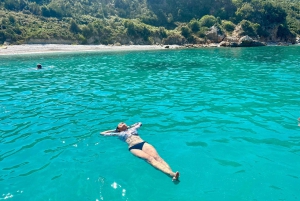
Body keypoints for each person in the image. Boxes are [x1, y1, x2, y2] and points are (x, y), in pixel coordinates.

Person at [101, 122, 180, 181]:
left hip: (143, 143)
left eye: (123, 122)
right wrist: (115, 130)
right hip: (133, 147)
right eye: (120, 124)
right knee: (150, 159)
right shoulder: (118, 134)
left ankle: (172, 175)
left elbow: (140, 123)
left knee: (157, 157)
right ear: (118, 128)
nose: (122, 123)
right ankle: (171, 174)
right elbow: (102, 133)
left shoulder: (133, 129)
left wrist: (130, 126)